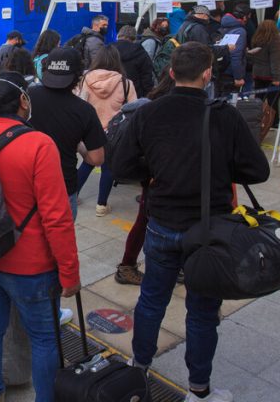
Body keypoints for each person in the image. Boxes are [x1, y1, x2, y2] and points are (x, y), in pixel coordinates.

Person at [112, 42, 269, 402]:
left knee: (152, 300)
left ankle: (139, 367)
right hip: (209, 229)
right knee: (201, 311)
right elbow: (257, 171)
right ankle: (198, 390)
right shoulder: (224, 115)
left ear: (171, 73)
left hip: (162, 223)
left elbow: (121, 166)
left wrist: (153, 171)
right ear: (208, 74)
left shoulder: (149, 113)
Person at [0, 71, 80, 402]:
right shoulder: (39, 144)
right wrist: (69, 272)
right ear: (23, 101)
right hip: (30, 267)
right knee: (44, 338)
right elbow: (56, 218)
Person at [28, 48, 106, 221]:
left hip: (27, 182)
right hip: (62, 186)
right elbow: (97, 158)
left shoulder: (27, 97)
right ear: (78, 75)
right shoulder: (85, 110)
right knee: (60, 236)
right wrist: (78, 145)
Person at [114, 72, 175, 286]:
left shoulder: (150, 103)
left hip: (151, 173)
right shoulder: (163, 110)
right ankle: (127, 265)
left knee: (145, 219)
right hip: (157, 175)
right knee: (145, 221)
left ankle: (128, 265)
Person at [76, 45, 137, 217]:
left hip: (90, 130)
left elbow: (80, 103)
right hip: (113, 133)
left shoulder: (85, 79)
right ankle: (101, 205)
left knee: (88, 163)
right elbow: (133, 109)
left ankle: (73, 195)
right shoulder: (126, 83)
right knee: (108, 167)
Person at [249, 20, 280, 112]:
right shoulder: (274, 41)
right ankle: (272, 119)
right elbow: (275, 60)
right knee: (272, 103)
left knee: (258, 100)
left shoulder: (256, 40)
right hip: (270, 75)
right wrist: (276, 78)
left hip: (257, 73)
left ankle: (257, 117)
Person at [219, 4, 252, 95]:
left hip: (222, 69)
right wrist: (238, 77)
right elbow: (236, 55)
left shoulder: (225, 26)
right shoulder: (240, 31)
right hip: (231, 73)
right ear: (244, 17)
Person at [115, 25, 154, 98]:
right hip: (135, 95)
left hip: (112, 93)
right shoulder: (140, 52)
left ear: (118, 35)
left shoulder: (107, 50)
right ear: (134, 38)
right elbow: (147, 77)